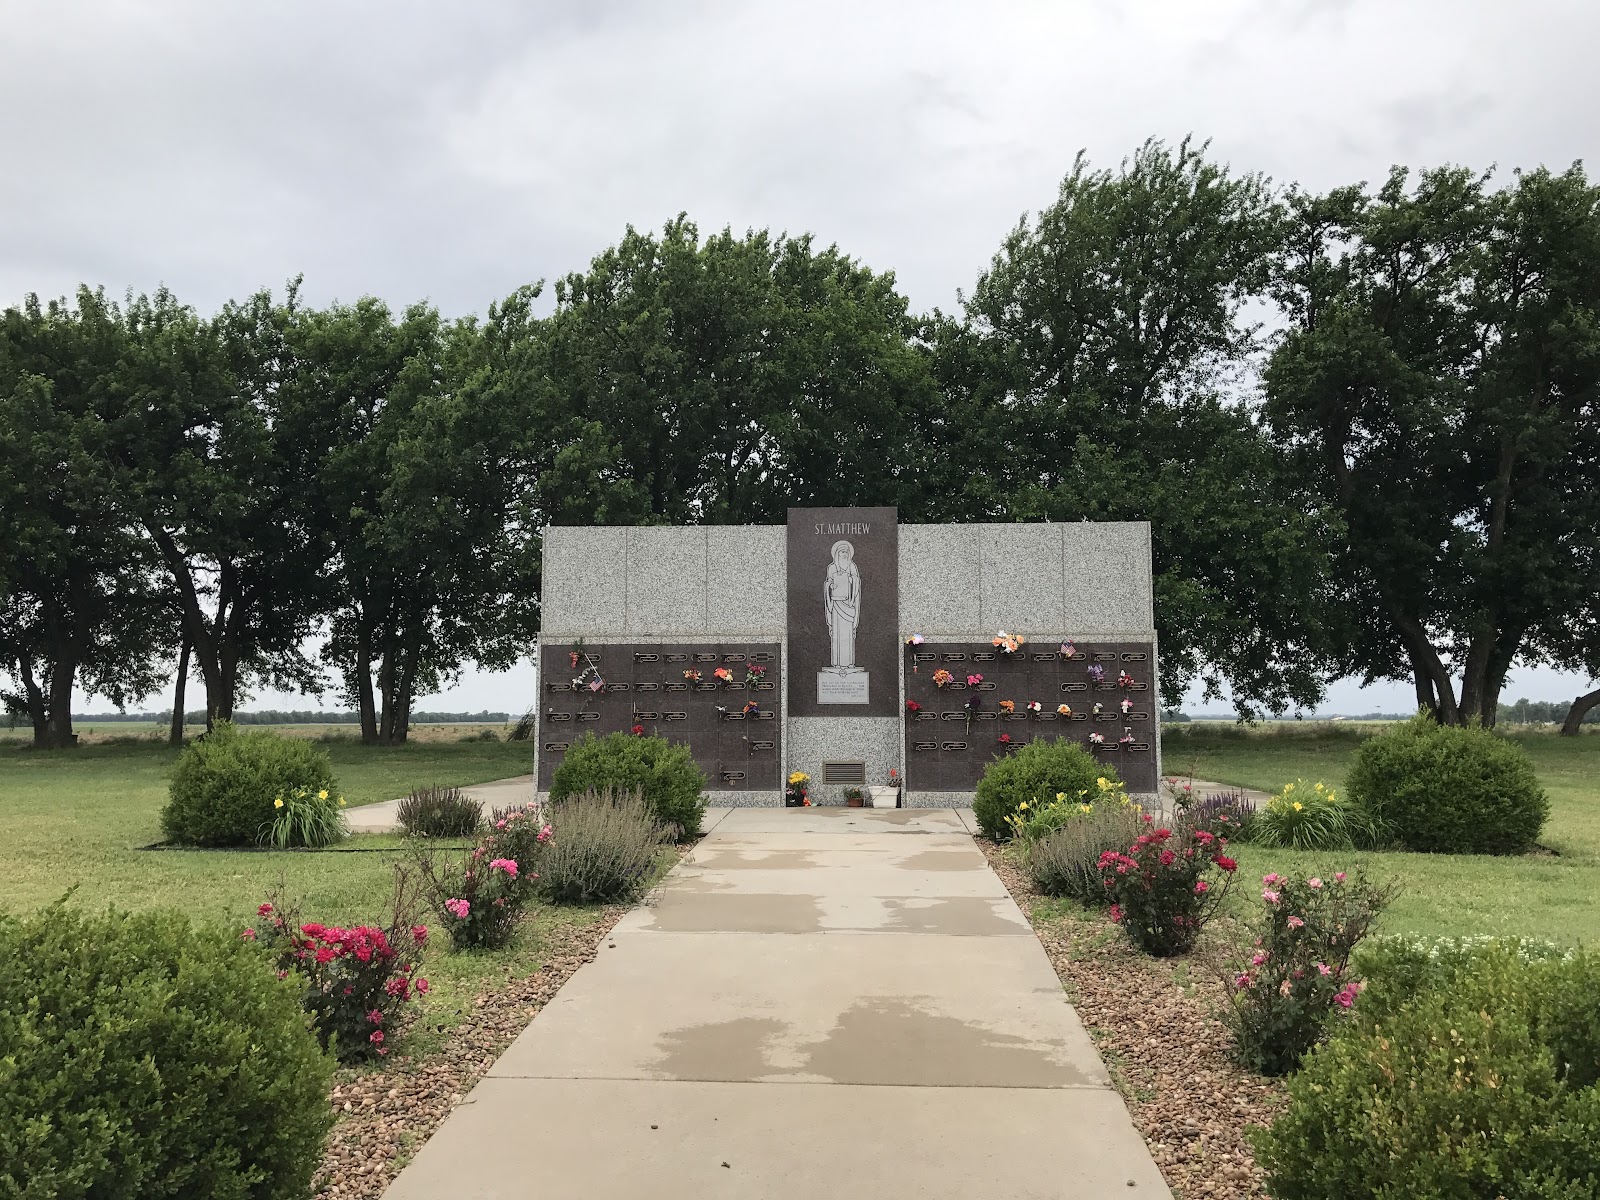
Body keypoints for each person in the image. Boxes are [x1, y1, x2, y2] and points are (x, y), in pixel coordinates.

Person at [823, 540, 861, 668]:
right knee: (837, 633)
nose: (844, 554)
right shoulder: (832, 568)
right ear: (837, 553)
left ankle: (849, 662)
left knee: (847, 634)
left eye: (846, 552)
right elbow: (828, 583)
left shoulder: (852, 566)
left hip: (848, 604)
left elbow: (856, 582)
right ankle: (836, 663)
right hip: (836, 605)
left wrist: (849, 579)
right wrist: (831, 585)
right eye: (842, 552)